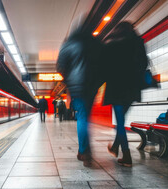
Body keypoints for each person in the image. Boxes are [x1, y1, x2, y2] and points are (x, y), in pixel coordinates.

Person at [103, 21, 148, 167]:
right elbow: (144, 64)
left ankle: (126, 155)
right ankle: (116, 147)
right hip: (132, 89)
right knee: (121, 121)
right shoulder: (138, 43)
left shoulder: (112, 45)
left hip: (117, 88)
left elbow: (106, 69)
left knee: (120, 123)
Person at [57, 22, 103, 161]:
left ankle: (84, 151)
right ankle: (85, 149)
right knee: (86, 116)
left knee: (82, 117)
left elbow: (60, 66)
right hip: (92, 86)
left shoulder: (68, 44)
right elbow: (103, 65)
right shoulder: (96, 44)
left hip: (76, 87)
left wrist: (69, 79)